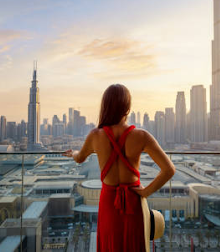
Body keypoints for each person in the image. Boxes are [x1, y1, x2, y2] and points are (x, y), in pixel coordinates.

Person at [64, 84, 175, 252]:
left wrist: (73, 153)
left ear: (105, 106)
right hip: (133, 200)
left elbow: (79, 159)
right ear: (128, 108)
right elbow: (169, 169)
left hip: (109, 201)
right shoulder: (141, 136)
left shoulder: (95, 135)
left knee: (110, 244)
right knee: (134, 243)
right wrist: (145, 192)